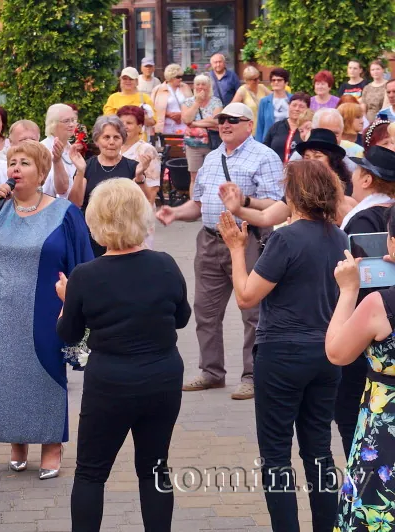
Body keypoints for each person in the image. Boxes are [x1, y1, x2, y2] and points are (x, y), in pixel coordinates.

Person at [217, 159, 345, 531]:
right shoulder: (336, 235)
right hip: (325, 353)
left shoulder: (286, 238)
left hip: (283, 353)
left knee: (276, 456)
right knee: (319, 450)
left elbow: (246, 296)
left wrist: (236, 248)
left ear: (294, 193)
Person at [0, 139, 93, 479]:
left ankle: (51, 445)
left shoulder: (65, 213)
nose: (16, 168)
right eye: (12, 162)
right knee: (5, 374)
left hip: (45, 311)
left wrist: (77, 307)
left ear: (42, 171)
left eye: (25, 163)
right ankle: (17, 442)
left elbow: (82, 263)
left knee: (45, 373)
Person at [59, 178, 188, 531]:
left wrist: (65, 301)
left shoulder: (85, 276)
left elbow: (69, 334)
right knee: (155, 468)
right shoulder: (165, 264)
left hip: (111, 382)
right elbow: (181, 319)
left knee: (90, 472)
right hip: (162, 376)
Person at [156, 102, 284, 400]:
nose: (224, 124)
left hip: (248, 238)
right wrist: (175, 213)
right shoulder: (212, 159)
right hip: (210, 238)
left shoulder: (264, 157)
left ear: (249, 124)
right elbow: (198, 206)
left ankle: (253, 375)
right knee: (205, 310)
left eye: (232, 120)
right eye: (221, 120)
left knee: (253, 312)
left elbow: (277, 204)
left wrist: (245, 202)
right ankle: (212, 372)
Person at [327, 205, 395, 532]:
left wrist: (349, 290)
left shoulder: (381, 304)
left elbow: (337, 351)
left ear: (390, 244)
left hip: (385, 431)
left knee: (378, 510)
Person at [333, 146, 395, 460]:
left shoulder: (366, 219)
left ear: (367, 179)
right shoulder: (384, 213)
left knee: (348, 415)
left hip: (372, 341)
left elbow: (338, 352)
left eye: (358, 171)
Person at [220, 127, 355, 229]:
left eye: (318, 156)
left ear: (332, 160)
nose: (311, 162)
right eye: (307, 158)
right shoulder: (298, 190)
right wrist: (238, 209)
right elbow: (265, 217)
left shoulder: (349, 188)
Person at [66, 115, 139, 256]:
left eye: (116, 137)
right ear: (97, 140)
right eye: (106, 137)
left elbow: (142, 205)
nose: (111, 142)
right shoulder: (86, 166)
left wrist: (140, 177)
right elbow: (75, 203)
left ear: (122, 140)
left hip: (124, 236)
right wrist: (80, 172)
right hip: (92, 234)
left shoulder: (133, 167)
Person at [182, 74, 224, 184]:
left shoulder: (216, 102)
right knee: (195, 178)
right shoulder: (188, 102)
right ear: (194, 86)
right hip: (193, 145)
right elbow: (186, 120)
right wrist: (197, 103)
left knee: (213, 177)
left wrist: (194, 123)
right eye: (198, 84)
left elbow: (216, 121)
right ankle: (195, 201)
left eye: (203, 84)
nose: (200, 87)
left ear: (209, 86)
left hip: (212, 144)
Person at [118, 105, 162, 208]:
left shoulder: (147, 150)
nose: (124, 126)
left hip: (139, 209)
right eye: (121, 123)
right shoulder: (114, 147)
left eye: (129, 123)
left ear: (139, 126)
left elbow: (152, 191)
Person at [40, 103, 81, 199]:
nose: (71, 125)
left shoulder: (72, 149)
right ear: (53, 123)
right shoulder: (42, 149)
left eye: (73, 120)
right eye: (66, 121)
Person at [261, 91, 310, 162]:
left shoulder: (308, 129)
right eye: (294, 105)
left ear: (307, 109)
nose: (297, 109)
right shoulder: (276, 126)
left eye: (301, 106)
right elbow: (265, 149)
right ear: (289, 106)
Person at [152, 63, 192, 135]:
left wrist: (181, 114)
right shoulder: (158, 89)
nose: (181, 79)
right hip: (165, 126)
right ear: (171, 77)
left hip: (183, 125)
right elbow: (153, 108)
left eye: (181, 77)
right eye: (178, 77)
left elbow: (192, 105)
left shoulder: (185, 87)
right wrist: (168, 114)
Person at [231, 66, 271, 138]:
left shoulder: (262, 87)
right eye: (255, 79)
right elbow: (232, 109)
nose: (258, 81)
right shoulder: (242, 91)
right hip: (250, 133)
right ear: (247, 80)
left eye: (259, 78)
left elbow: (275, 98)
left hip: (264, 130)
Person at [255, 68, 291, 145]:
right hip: (269, 142)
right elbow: (260, 126)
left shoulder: (293, 100)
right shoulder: (264, 101)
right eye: (273, 80)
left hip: (289, 140)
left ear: (286, 83)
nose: (276, 82)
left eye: (279, 80)